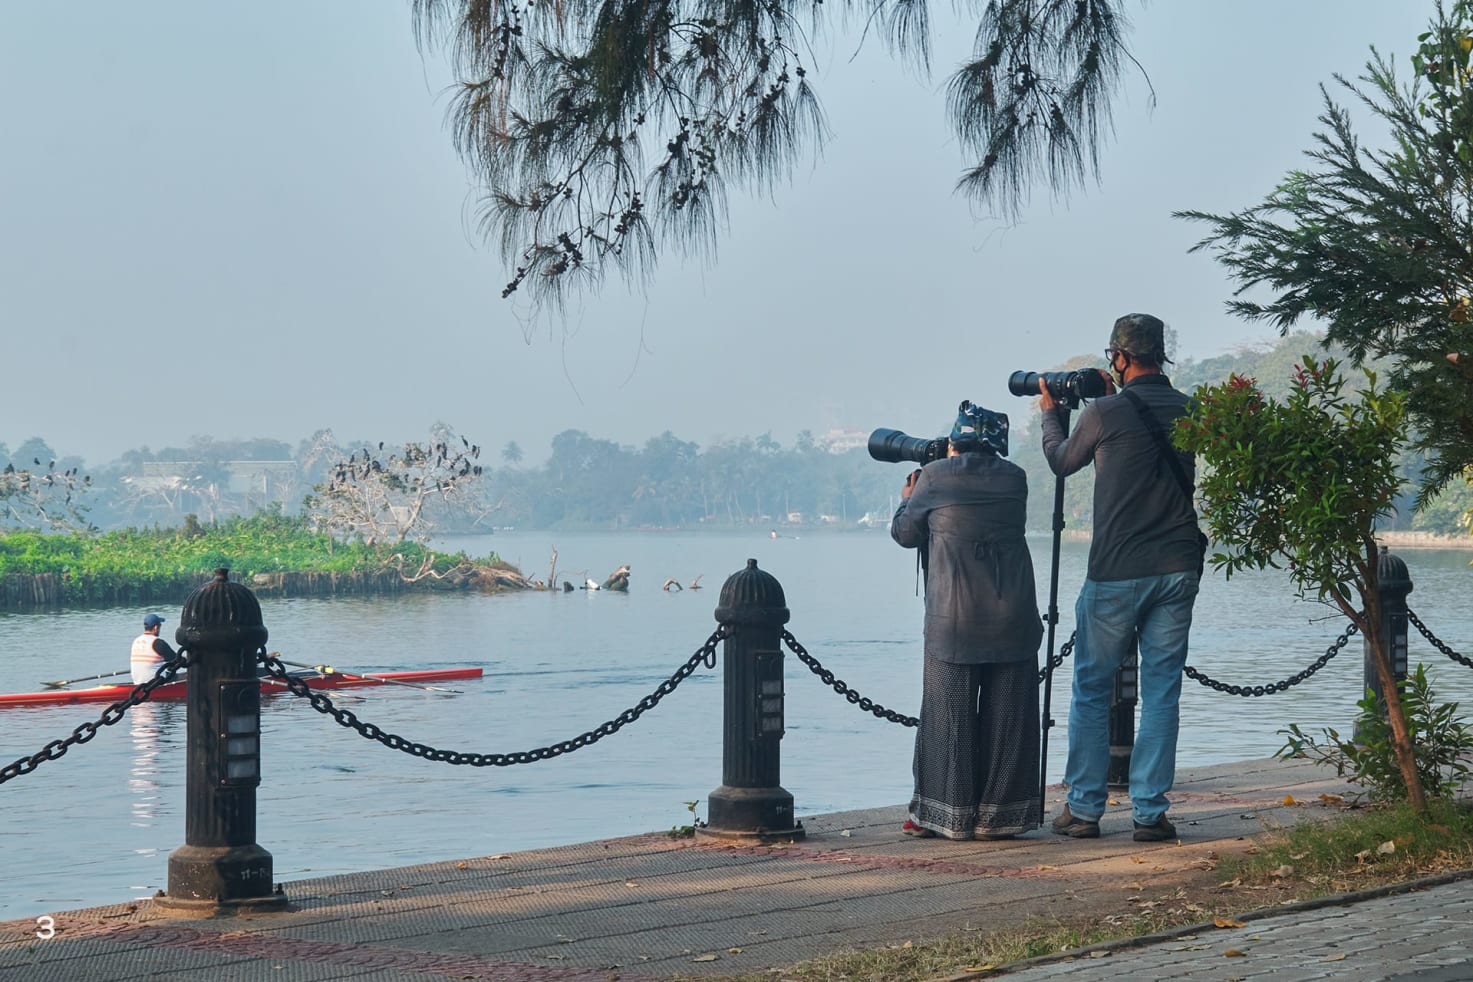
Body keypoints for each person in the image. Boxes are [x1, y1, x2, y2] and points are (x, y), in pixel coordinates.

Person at [1037, 313, 1202, 842]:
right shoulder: (1188, 408)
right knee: (1162, 691)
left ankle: (1084, 810)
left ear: (1120, 357)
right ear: (1161, 355)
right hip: (1177, 567)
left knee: (1089, 688)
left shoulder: (1103, 412)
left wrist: (1050, 415)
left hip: (1116, 572)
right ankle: (1149, 813)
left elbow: (1062, 462)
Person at [890, 400, 1044, 840]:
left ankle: (944, 817)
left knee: (948, 718)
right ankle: (1000, 818)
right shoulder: (1015, 479)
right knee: (1008, 720)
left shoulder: (934, 478)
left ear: (956, 441)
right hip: (1013, 619)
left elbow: (906, 534)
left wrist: (907, 499)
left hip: (953, 623)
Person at [131, 613, 177, 685]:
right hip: (155, 683)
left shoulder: (136, 641)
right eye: (160, 626)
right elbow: (176, 659)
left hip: (137, 682)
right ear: (156, 627)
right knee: (174, 675)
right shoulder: (158, 642)